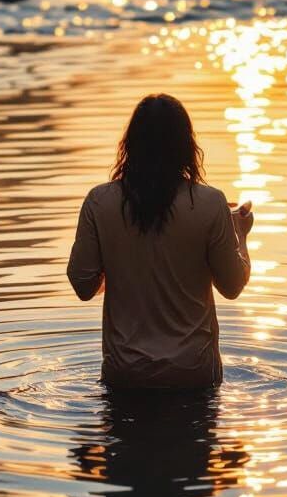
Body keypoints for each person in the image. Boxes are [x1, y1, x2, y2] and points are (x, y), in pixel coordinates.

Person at [67, 93, 252, 391]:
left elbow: (82, 285)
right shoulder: (209, 203)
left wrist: (115, 259)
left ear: (130, 145)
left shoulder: (99, 202)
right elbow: (232, 287)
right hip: (193, 376)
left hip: (125, 376)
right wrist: (239, 233)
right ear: (186, 147)